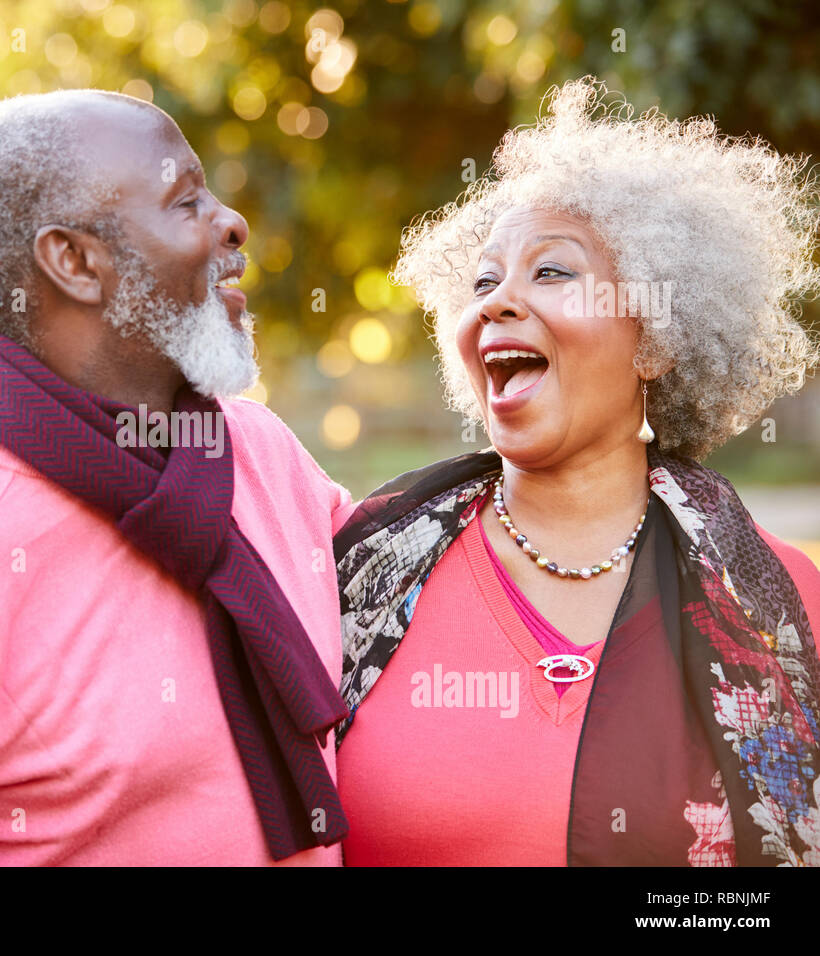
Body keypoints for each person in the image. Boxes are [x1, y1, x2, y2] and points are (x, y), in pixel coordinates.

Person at [0, 89, 357, 866]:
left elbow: (423, 606)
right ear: (77, 262)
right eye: (186, 201)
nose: (231, 222)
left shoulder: (262, 453)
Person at [334, 78, 820, 866]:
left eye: (551, 272)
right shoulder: (359, 568)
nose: (497, 303)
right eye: (483, 281)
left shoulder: (781, 602)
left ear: (656, 341)